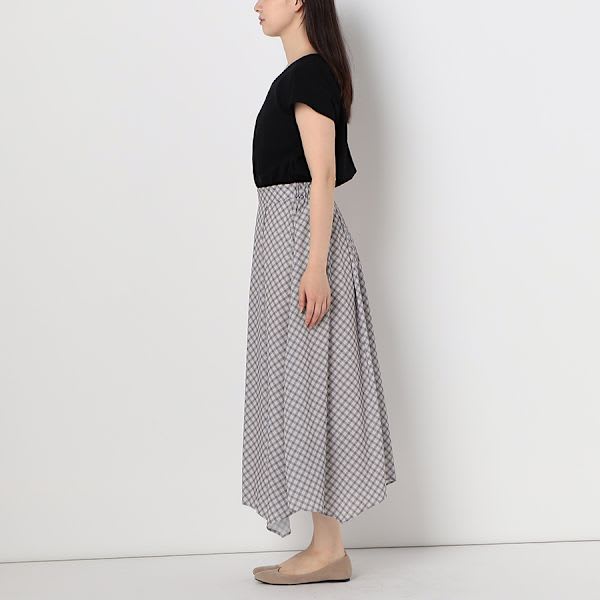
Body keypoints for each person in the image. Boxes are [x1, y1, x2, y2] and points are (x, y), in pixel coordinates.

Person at [242, 0, 397, 585]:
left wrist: (314, 266)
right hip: (285, 247)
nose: (256, 4)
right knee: (300, 388)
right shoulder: (298, 77)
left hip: (302, 250)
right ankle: (325, 546)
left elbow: (322, 174)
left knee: (312, 389)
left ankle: (329, 551)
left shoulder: (308, 76)